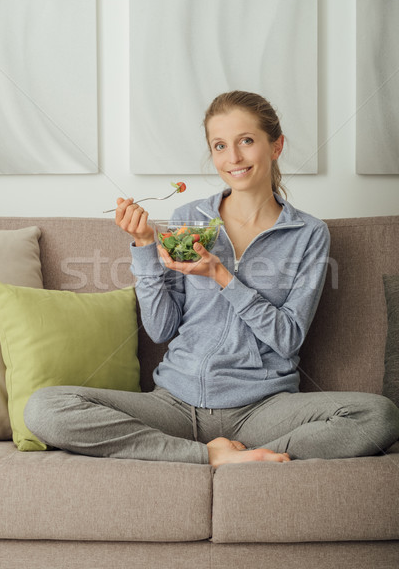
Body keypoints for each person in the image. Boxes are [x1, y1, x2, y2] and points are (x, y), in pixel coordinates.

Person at [24, 90, 399, 467]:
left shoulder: (308, 233)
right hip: (175, 404)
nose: (233, 158)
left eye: (246, 141)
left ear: (276, 146)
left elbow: (288, 338)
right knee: (44, 407)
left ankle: (244, 455)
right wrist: (144, 245)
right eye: (220, 146)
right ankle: (214, 457)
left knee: (378, 416)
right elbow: (161, 327)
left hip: (262, 409)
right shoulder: (190, 218)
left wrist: (222, 276)